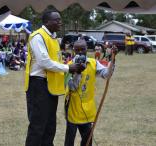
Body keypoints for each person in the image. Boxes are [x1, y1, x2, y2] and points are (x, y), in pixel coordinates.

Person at [24, 9, 84, 146]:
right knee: (38, 126)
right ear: (46, 22)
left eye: (60, 20)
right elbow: (44, 62)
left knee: (50, 126)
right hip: (39, 85)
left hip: (51, 87)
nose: (60, 22)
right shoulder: (37, 36)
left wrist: (72, 67)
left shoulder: (54, 38)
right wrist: (69, 68)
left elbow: (56, 61)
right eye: (56, 20)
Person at [64, 39, 116, 146]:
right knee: (70, 139)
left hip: (87, 110)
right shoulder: (69, 66)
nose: (80, 52)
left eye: (82, 49)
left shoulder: (93, 63)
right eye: (77, 50)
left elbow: (106, 74)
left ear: (87, 49)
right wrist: (78, 72)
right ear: (73, 51)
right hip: (72, 108)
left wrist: (113, 60)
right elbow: (72, 87)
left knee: (88, 139)